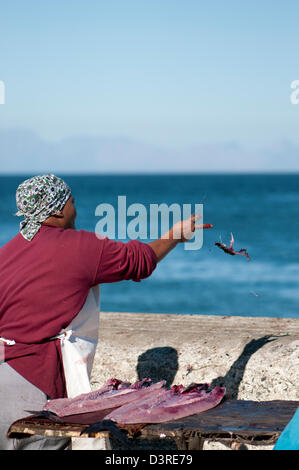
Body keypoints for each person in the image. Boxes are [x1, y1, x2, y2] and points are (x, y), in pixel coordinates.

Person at [0, 174, 212, 450]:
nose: (75, 209)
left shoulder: (7, 253)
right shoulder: (81, 247)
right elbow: (140, 261)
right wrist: (175, 235)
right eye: (72, 202)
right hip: (36, 390)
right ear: (57, 209)